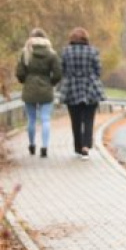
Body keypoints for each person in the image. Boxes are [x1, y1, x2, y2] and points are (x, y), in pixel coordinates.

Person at [60, 27, 107, 160]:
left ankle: (78, 147)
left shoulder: (66, 52)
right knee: (88, 119)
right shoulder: (93, 51)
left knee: (75, 120)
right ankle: (86, 146)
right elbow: (98, 70)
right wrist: (90, 76)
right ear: (86, 38)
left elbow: (62, 69)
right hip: (90, 87)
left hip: (72, 88)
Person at [15, 28, 62, 159]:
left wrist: (25, 81)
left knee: (31, 119)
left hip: (29, 89)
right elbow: (58, 73)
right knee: (45, 119)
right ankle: (45, 147)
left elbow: (19, 73)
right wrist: (51, 83)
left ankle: (31, 144)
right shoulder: (51, 54)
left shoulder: (26, 53)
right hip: (46, 89)